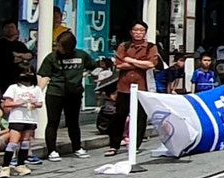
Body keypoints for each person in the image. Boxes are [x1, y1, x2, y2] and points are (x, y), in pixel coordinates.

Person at [106, 21, 162, 155]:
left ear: (145, 32)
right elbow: (119, 64)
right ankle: (114, 145)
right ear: (131, 32)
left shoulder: (150, 47)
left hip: (142, 87)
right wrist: (139, 64)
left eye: (141, 30)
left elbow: (150, 64)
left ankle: (135, 145)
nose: (138, 33)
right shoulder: (124, 46)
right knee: (119, 116)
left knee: (140, 117)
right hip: (124, 86)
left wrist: (131, 61)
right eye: (135, 30)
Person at [39, 31, 94, 160]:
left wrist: (85, 74)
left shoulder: (82, 55)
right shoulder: (52, 57)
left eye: (61, 46)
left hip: (74, 93)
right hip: (55, 92)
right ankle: (52, 150)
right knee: (53, 122)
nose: (58, 48)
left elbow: (92, 66)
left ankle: (77, 147)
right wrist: (37, 92)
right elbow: (45, 76)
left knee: (73, 122)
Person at [0, 69, 45, 176]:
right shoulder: (13, 88)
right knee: (13, 142)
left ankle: (21, 164)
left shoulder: (36, 89)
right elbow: (7, 104)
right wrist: (19, 103)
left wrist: (34, 104)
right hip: (17, 118)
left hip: (30, 118)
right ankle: (5, 167)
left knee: (25, 142)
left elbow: (40, 103)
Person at [0, 20, 35, 90]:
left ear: (16, 30)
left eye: (12, 27)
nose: (10, 29)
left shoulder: (20, 45)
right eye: (7, 27)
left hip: (19, 76)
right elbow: (9, 59)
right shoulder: (0, 44)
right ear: (3, 30)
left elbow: (30, 55)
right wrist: (22, 57)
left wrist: (18, 54)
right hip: (4, 76)